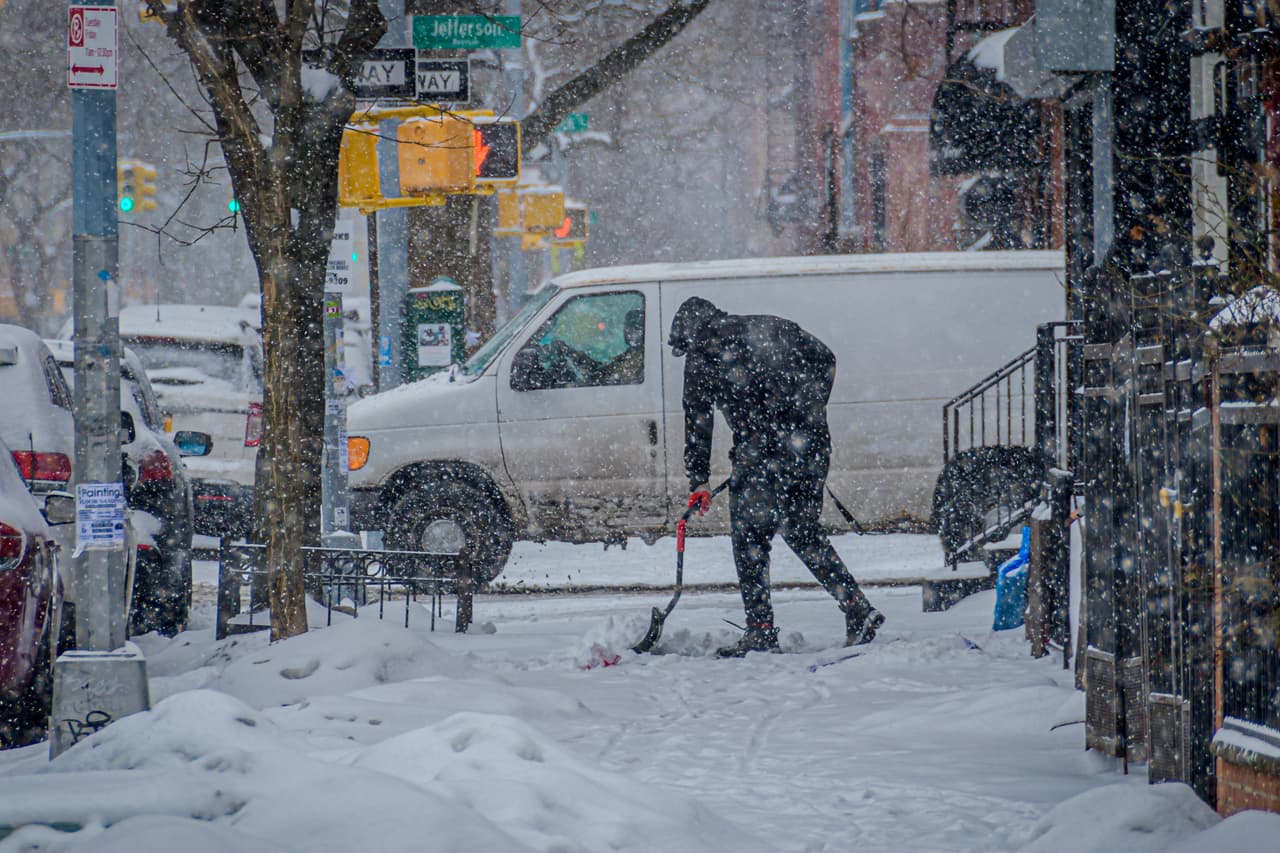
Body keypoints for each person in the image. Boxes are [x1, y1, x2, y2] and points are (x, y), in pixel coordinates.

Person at [668, 296, 884, 657]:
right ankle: (856, 606)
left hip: (761, 456)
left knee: (749, 540)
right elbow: (826, 359)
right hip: (809, 447)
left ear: (690, 335)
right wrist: (807, 412)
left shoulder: (702, 353)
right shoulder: (771, 326)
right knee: (802, 531)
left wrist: (699, 480)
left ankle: (761, 631)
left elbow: (698, 420)